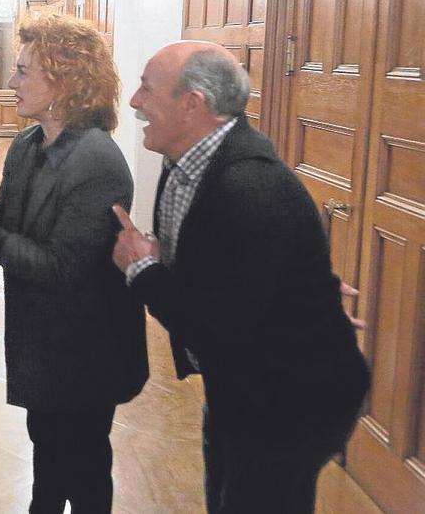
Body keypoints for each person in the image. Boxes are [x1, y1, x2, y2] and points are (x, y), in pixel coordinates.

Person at [111, 41, 370, 513]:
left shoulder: (249, 185)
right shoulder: (188, 161)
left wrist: (142, 269)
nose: (135, 102)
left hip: (292, 398)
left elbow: (220, 326)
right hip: (244, 383)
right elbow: (233, 267)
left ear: (193, 105)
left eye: (147, 89)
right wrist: (302, 292)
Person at [0, 13, 148, 514]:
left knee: (83, 470)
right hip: (43, 343)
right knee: (47, 454)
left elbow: (65, 269)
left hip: (87, 349)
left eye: (23, 71)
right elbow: (5, 228)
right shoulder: (27, 145)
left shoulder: (97, 160)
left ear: (64, 82)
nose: (11, 82)